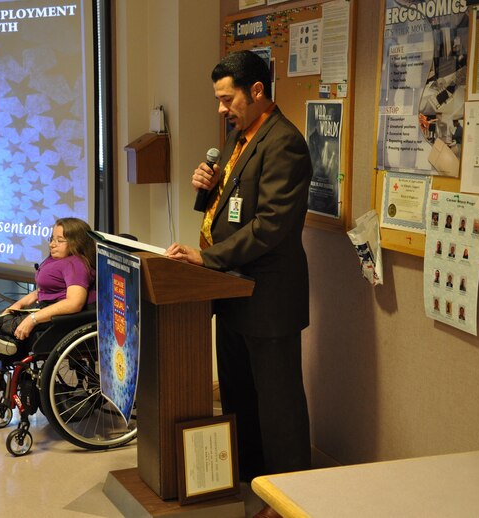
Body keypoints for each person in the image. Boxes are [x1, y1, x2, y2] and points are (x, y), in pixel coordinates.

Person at [165, 50, 313, 496]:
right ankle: (252, 483)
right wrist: (205, 189)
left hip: (267, 297)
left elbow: (269, 225)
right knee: (239, 399)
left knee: (278, 405)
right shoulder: (240, 137)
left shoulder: (284, 141)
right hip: (231, 292)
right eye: (218, 99)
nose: (221, 109)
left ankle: (291, 497)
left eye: (227, 99)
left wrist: (207, 259)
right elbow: (232, 207)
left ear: (257, 91)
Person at [0, 217, 96, 355]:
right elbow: (41, 291)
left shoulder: (75, 265)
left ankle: (5, 330)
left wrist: (33, 319)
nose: (52, 244)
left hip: (63, 318)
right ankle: (9, 341)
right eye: (52, 239)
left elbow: (74, 303)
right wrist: (18, 305)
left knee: (14, 322)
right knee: (12, 315)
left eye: (59, 240)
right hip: (46, 307)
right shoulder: (58, 259)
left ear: (77, 243)